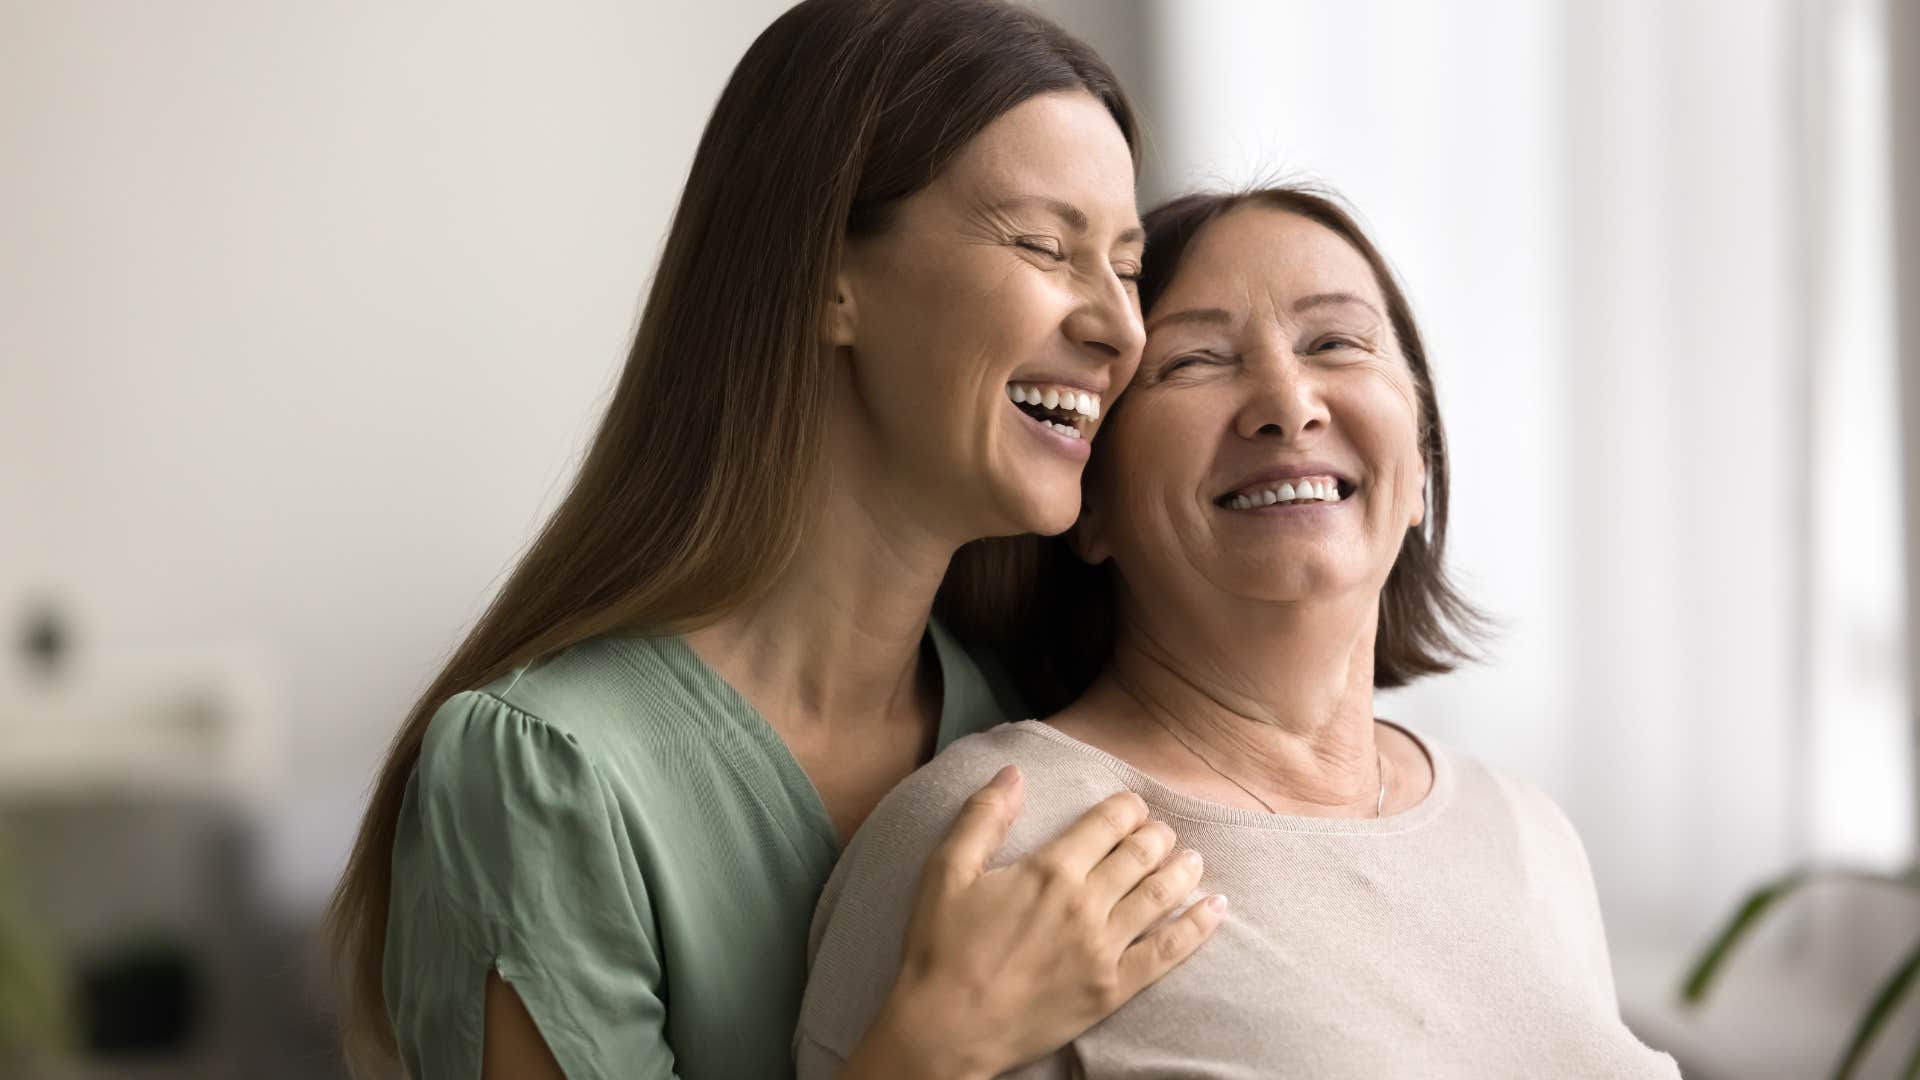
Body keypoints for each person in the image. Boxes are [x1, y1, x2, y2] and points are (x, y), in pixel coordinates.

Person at [326, 2, 1227, 1077]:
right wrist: (930, 1049)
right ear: (827, 278)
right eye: (1045, 244)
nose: (1120, 326)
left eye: (1126, 266)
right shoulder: (546, 776)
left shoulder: (1035, 727)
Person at [795, 186, 1685, 1078]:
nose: (1287, 404)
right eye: (1196, 361)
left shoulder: (1529, 834)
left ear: (1420, 469)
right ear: (1088, 500)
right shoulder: (997, 833)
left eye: (1335, 342)